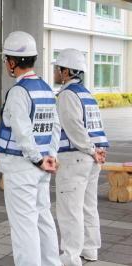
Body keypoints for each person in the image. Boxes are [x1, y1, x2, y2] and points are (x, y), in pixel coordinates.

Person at [0, 31, 62, 266]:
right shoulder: (45, 88)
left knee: (24, 227)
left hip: (21, 168)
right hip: (42, 167)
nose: (6, 64)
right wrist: (50, 157)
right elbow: (55, 127)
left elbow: (23, 133)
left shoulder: (18, 92)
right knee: (43, 219)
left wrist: (37, 159)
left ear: (13, 62)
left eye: (6, 60)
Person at [54, 48, 109, 266]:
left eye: (58, 69)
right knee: (88, 206)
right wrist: (98, 150)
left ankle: (70, 256)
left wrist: (89, 149)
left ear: (67, 71)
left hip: (75, 158)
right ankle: (90, 249)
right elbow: (96, 127)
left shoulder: (67, 95)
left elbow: (74, 127)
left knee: (70, 209)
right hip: (92, 159)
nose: (56, 72)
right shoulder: (87, 95)